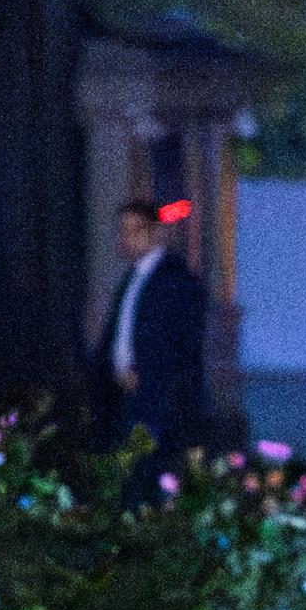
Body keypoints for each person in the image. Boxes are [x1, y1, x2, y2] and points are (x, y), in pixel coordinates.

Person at [92, 200, 207, 496]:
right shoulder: (133, 279)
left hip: (156, 401)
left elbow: (181, 345)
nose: (126, 238)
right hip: (124, 397)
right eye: (123, 230)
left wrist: (145, 374)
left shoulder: (175, 281)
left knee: (146, 478)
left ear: (156, 233)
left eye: (135, 230)